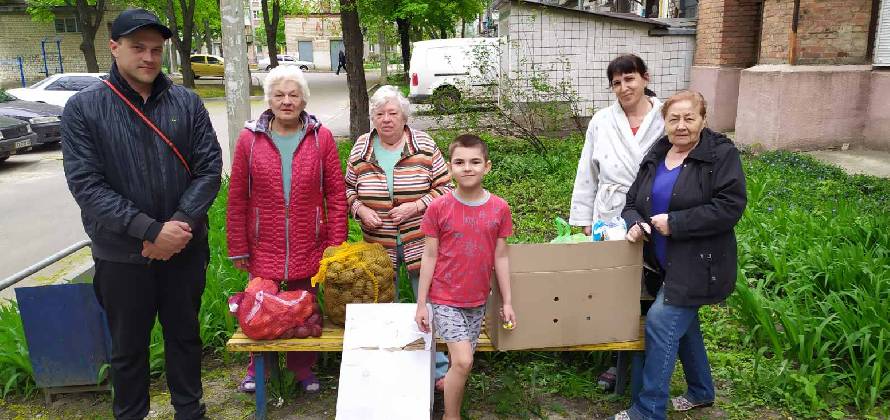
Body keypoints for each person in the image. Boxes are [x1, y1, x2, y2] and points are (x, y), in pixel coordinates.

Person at [61, 8, 222, 420]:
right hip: (121, 255)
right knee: (128, 349)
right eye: (138, 48)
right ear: (114, 48)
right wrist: (150, 231)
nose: (148, 57)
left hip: (184, 250)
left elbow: (209, 169)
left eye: (156, 49)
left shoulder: (186, 102)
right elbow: (87, 185)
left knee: (185, 338)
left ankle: (190, 410)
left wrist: (178, 227)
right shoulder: (84, 108)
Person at [610, 91, 747, 420]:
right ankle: (701, 391)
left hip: (700, 263)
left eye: (690, 118)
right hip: (659, 264)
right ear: (664, 121)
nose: (681, 125)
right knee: (684, 327)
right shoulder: (657, 154)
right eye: (674, 119)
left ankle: (648, 409)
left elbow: (730, 207)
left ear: (704, 119)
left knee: (661, 321)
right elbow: (631, 202)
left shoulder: (720, 155)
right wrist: (634, 224)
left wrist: (677, 222)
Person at [226, 65, 347, 394]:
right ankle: (258, 369)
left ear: (304, 99)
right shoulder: (250, 139)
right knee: (259, 306)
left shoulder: (320, 137)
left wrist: (335, 244)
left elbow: (335, 194)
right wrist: (238, 246)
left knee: (303, 308)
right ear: (269, 100)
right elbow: (237, 196)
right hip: (264, 242)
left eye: (294, 95)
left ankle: (302, 369)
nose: (287, 101)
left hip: (310, 240)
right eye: (279, 95)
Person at [344, 85, 451, 389]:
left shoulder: (424, 145)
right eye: (380, 114)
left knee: (426, 301)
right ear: (373, 118)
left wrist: (416, 206)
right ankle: (388, 364)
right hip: (378, 245)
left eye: (393, 113)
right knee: (382, 302)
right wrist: (361, 209)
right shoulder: (361, 148)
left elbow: (445, 188)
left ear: (405, 116)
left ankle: (437, 369)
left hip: (421, 241)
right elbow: (348, 189)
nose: (386, 119)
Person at [569, 54, 664, 393]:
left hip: (655, 211)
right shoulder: (601, 120)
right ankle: (614, 358)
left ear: (645, 77)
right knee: (614, 287)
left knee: (651, 284)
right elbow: (587, 172)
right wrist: (582, 218)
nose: (624, 88)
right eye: (617, 83)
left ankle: (650, 356)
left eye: (630, 79)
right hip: (610, 213)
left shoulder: (666, 117)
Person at [414, 134, 516, 420]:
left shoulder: (499, 208)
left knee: (462, 365)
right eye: (459, 162)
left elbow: (501, 257)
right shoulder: (438, 208)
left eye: (475, 162)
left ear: (487, 166)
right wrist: (422, 303)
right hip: (445, 299)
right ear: (449, 167)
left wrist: (507, 301)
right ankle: (451, 416)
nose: (467, 168)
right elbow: (430, 256)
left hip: (477, 300)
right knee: (463, 360)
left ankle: (448, 387)